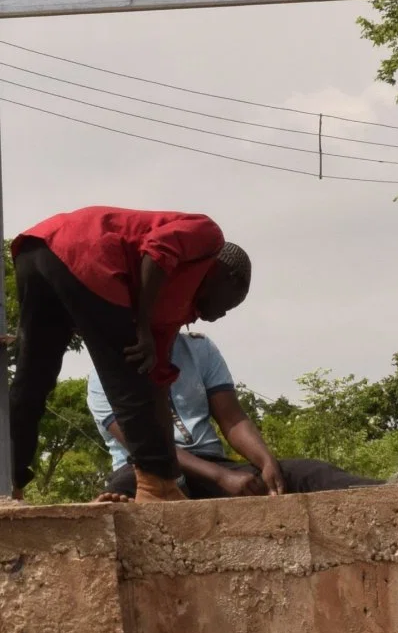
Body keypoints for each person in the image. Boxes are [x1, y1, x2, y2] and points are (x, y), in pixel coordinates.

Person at [9, 206, 250, 502]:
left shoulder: (172, 311)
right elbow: (157, 249)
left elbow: (156, 389)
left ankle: (10, 480)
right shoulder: (208, 236)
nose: (220, 315)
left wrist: (174, 473)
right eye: (230, 305)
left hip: (36, 251)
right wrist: (144, 326)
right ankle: (154, 488)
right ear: (231, 278)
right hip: (85, 250)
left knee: (33, 378)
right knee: (128, 374)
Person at [88, 329, 379, 500]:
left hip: (213, 465)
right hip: (147, 470)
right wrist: (220, 478)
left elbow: (232, 418)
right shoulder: (104, 374)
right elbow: (147, 447)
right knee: (124, 491)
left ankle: (397, 490)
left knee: (310, 473)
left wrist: (265, 460)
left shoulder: (199, 348)